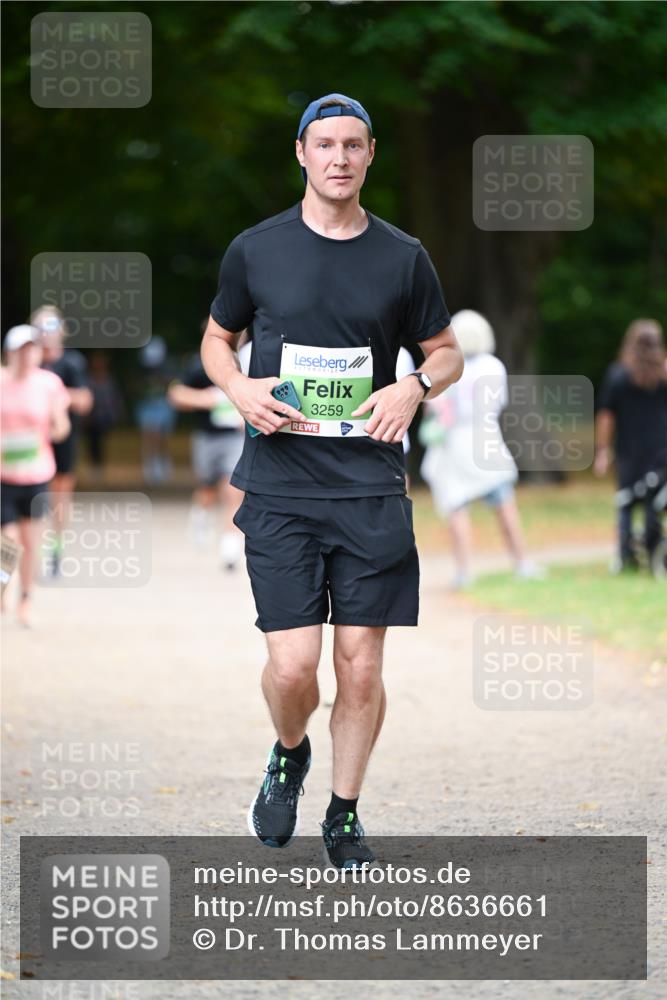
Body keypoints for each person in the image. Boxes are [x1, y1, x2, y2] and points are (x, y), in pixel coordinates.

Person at [201, 93, 463, 868]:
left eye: (353, 144)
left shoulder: (402, 255)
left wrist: (414, 385)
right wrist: (239, 388)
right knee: (292, 667)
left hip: (368, 488)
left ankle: (344, 813)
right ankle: (289, 752)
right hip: (280, 485)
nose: (339, 157)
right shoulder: (256, 249)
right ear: (301, 154)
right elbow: (220, 340)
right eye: (325, 144)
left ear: (370, 154)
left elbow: (445, 350)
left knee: (361, 663)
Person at [420, 309, 542, 589]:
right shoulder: (493, 366)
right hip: (486, 437)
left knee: (457, 506)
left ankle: (464, 571)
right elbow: (499, 405)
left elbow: (434, 406)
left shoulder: (448, 367)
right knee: (505, 505)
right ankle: (522, 563)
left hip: (455, 442)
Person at [1, 325, 70, 626]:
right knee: (8, 540)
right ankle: (3, 588)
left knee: (29, 542)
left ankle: (25, 600)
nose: (28, 354)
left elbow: (62, 425)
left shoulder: (50, 383)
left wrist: (51, 431)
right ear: (10, 352)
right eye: (22, 348)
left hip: (37, 473)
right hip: (4, 475)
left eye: (33, 348)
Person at [168, 338, 250, 568]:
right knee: (207, 489)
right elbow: (176, 393)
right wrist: (205, 399)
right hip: (207, 437)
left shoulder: (250, 360)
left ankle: (230, 547)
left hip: (235, 437)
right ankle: (200, 516)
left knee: (233, 489)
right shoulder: (201, 364)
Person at [595, 318, 667, 570]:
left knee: (625, 503)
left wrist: (603, 450)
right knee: (655, 501)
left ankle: (626, 555)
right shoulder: (665, 374)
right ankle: (653, 546)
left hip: (630, 451)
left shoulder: (618, 374)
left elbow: (606, 416)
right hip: (661, 452)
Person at [31, 305, 92, 576]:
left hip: (63, 437)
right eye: (42, 327)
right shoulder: (27, 359)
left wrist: (53, 395)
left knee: (59, 496)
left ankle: (54, 549)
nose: (47, 333)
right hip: (31, 438)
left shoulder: (72, 363)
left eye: (52, 327)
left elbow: (84, 401)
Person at [134, 336, 177, 485]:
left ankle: (162, 466)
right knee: (149, 436)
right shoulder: (141, 369)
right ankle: (150, 468)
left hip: (162, 405)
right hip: (147, 405)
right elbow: (136, 387)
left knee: (162, 437)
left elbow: (173, 385)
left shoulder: (167, 366)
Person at [83, 352, 124, 482]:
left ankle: (100, 469)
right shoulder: (88, 379)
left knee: (102, 444)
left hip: (106, 418)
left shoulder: (109, 380)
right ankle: (96, 469)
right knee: (93, 444)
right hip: (92, 418)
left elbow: (115, 399)